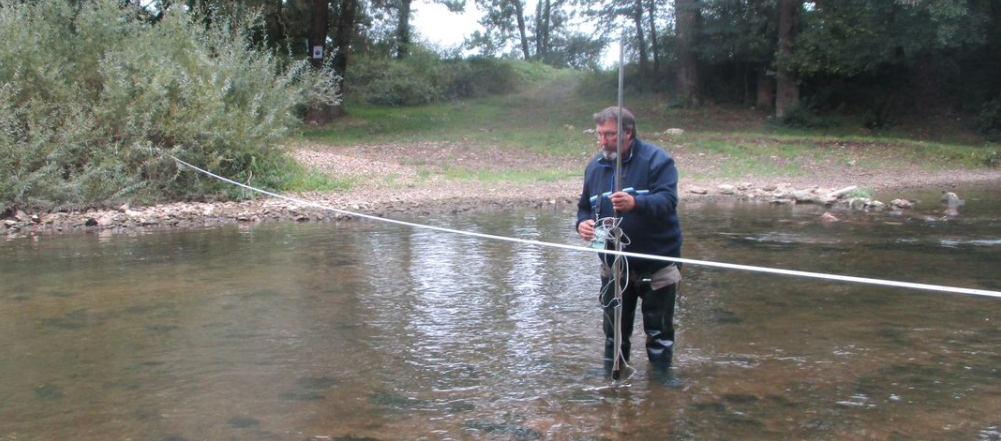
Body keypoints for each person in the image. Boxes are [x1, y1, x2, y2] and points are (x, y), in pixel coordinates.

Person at [575, 106, 683, 376]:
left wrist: (636, 202)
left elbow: (668, 201)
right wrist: (582, 225)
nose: (602, 141)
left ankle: (660, 386)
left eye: (609, 134)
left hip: (657, 262)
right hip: (613, 264)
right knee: (614, 332)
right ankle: (613, 377)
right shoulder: (595, 167)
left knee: (659, 333)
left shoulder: (658, 160)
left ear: (628, 133)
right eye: (599, 134)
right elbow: (584, 208)